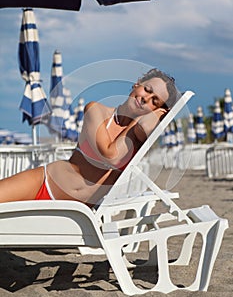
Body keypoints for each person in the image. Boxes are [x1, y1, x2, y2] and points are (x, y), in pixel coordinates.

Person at [0, 68, 179, 207]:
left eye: (155, 101)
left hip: (77, 210)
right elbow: (111, 156)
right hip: (44, 182)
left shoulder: (140, 131)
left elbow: (146, 125)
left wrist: (156, 113)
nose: (146, 98)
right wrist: (144, 115)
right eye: (147, 90)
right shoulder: (96, 110)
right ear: (136, 84)